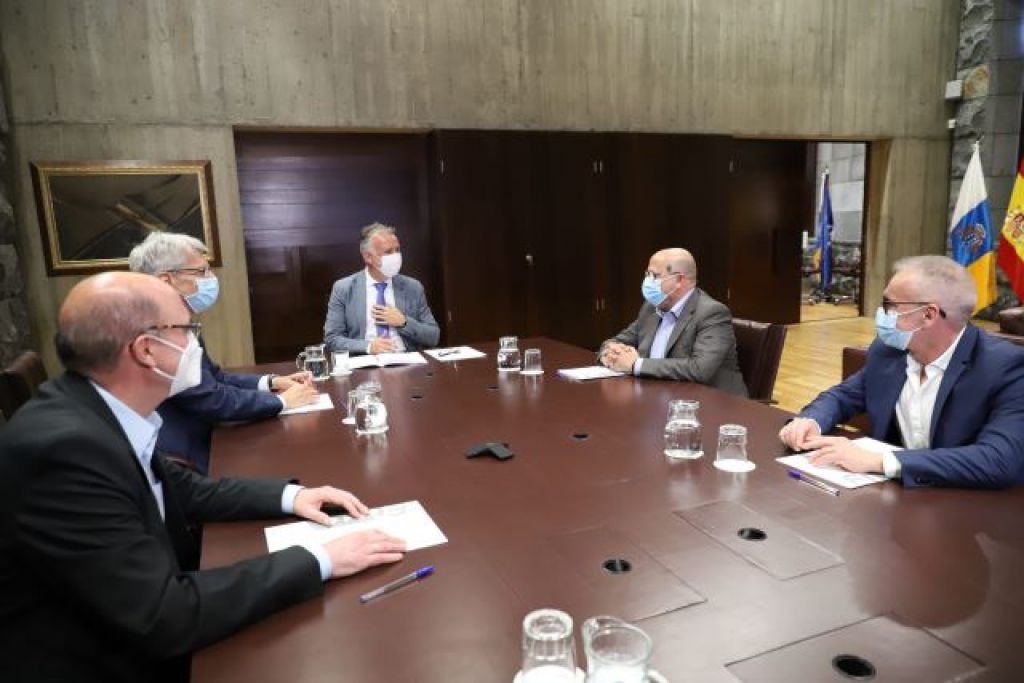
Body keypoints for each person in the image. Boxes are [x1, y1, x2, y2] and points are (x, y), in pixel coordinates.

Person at [0, 272, 406, 683]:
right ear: (146, 350)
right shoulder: (66, 451)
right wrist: (320, 559)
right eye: (186, 330)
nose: (196, 344)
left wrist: (291, 497)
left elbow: (181, 488)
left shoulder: (95, 410)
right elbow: (164, 616)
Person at [779, 255, 1024, 489]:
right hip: (899, 500)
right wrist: (810, 421)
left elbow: (999, 459)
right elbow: (843, 396)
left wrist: (881, 461)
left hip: (973, 506)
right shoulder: (888, 351)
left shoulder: (1006, 367)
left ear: (928, 314)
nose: (881, 314)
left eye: (889, 305)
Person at [129, 232, 317, 473]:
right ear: (166, 280)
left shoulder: (178, 321)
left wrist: (271, 382)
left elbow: (215, 377)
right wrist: (282, 401)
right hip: (185, 460)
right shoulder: (156, 332)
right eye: (201, 271)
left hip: (208, 438)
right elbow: (210, 399)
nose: (211, 278)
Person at [599, 247, 747, 396]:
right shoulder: (651, 308)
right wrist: (610, 353)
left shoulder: (712, 313)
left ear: (679, 280)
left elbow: (699, 369)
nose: (647, 282)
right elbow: (617, 341)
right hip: (658, 394)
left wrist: (636, 364)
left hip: (713, 402)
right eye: (647, 274)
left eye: (654, 276)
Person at [323, 222, 440, 354]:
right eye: (388, 252)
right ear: (368, 256)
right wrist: (368, 347)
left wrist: (404, 322)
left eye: (397, 250)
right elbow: (332, 339)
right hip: (364, 360)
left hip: (406, 358)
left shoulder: (413, 287)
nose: (396, 256)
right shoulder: (344, 288)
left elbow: (433, 336)